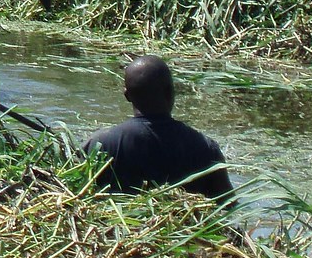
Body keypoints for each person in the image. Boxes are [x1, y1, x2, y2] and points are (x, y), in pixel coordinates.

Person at [84, 54, 232, 200]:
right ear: (170, 92)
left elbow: (75, 195)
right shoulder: (206, 148)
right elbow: (228, 208)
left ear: (127, 95)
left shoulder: (99, 146)